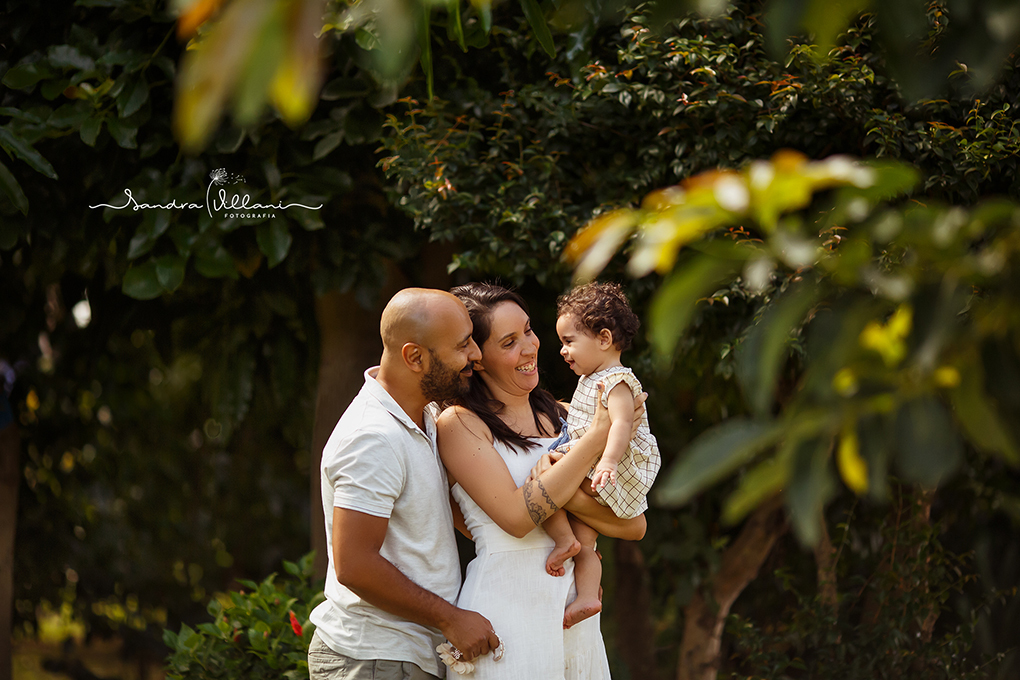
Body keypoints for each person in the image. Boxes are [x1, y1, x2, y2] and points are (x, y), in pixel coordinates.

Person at [437, 282, 647, 679]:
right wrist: (599, 437)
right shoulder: (460, 424)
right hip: (507, 612)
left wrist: (561, 488)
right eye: (509, 341)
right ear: (478, 358)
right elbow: (517, 519)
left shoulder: (570, 414)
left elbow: (634, 525)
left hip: (574, 612)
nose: (530, 347)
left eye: (529, 330)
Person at [308, 288, 502, 680]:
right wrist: (450, 619)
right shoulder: (372, 438)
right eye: (463, 345)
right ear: (415, 357)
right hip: (374, 659)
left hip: (405, 656)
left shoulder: (426, 414)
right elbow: (354, 565)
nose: (476, 356)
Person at [543, 281, 661, 628]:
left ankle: (568, 548)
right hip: (594, 462)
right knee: (586, 539)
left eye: (569, 341)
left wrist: (607, 461)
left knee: (544, 481)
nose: (563, 351)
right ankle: (588, 596)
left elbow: (622, 424)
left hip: (611, 467)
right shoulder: (593, 377)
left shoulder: (618, 381)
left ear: (604, 339)